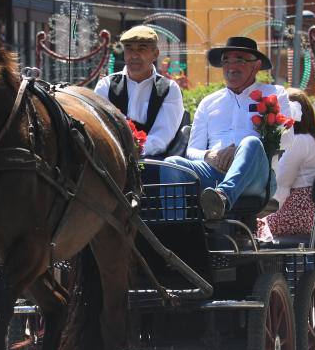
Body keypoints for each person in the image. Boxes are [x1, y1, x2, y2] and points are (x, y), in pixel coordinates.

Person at [161, 37, 291, 220]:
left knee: (250, 143)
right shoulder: (208, 103)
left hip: (255, 177)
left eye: (239, 60)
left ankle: (221, 198)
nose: (231, 67)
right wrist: (209, 156)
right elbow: (192, 150)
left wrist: (239, 152)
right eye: (226, 61)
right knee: (172, 164)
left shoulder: (275, 94)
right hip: (213, 171)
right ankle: (176, 234)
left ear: (256, 65)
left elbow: (286, 139)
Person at [94, 25, 184, 158]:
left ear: (155, 53)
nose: (134, 55)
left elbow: (162, 137)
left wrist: (136, 150)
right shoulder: (106, 85)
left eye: (142, 48)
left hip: (152, 162)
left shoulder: (169, 89)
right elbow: (98, 126)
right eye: (129, 49)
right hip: (112, 160)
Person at [257, 88, 315, 240]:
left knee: (250, 229)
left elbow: (281, 183)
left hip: (297, 215)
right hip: (312, 218)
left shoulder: (300, 140)